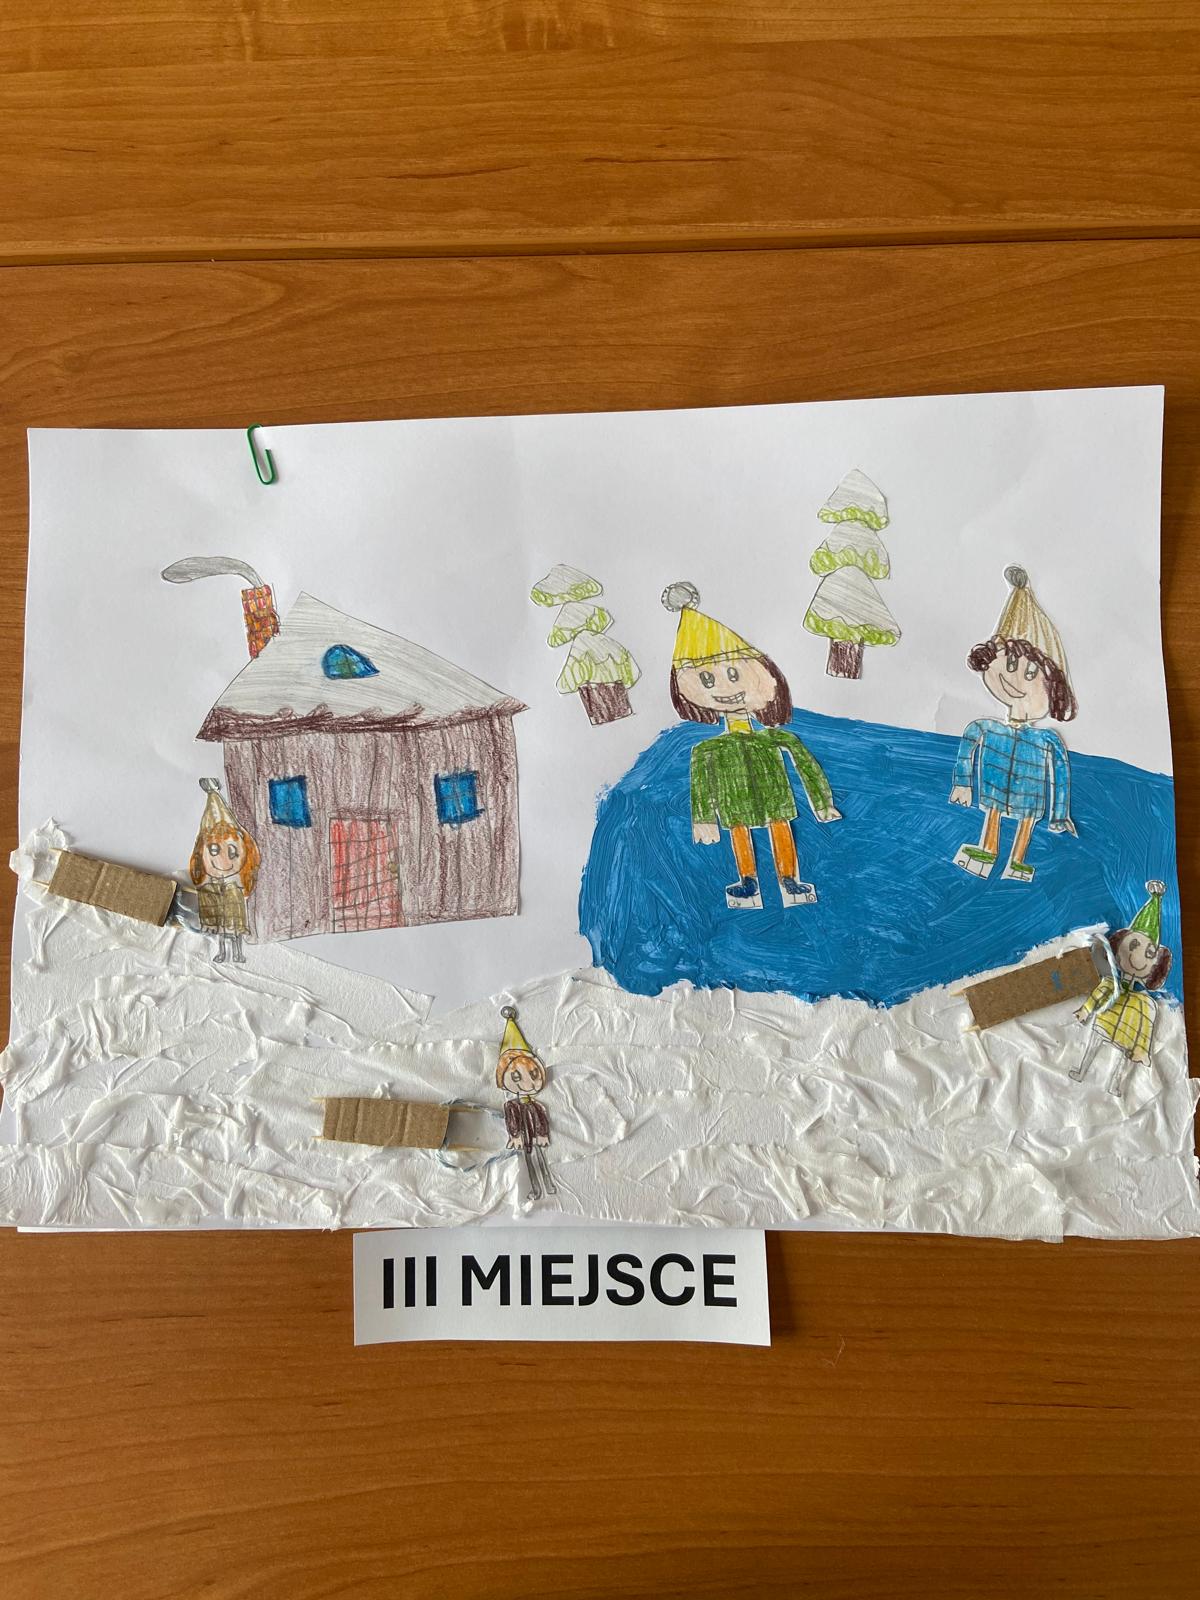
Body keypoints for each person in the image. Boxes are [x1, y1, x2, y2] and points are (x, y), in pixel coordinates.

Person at [662, 581, 839, 910]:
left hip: (775, 799)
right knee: (739, 831)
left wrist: (822, 802)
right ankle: (748, 881)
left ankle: (789, 879)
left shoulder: (776, 738)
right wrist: (704, 819)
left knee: (780, 825)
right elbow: (701, 786)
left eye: (734, 674)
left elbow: (805, 763)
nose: (725, 688)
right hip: (734, 806)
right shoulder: (707, 751)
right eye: (706, 680)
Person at [950, 565, 1077, 883]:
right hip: (994, 790)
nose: (1014, 678)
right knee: (992, 814)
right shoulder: (987, 728)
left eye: (1031, 673)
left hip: (1030, 799)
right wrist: (963, 783)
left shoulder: (1047, 741)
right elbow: (968, 741)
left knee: (1025, 823)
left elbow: (1060, 775)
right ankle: (987, 850)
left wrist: (1059, 815)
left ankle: (1018, 863)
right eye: (1008, 663)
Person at [1072, 881, 1173, 1096]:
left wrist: (1141, 1047)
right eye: (1133, 946)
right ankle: (1081, 1071)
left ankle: (1118, 1080)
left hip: (1127, 1030)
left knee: (1145, 1012)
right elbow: (1098, 995)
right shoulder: (1110, 984)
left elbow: (1146, 1024)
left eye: (1149, 954)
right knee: (1094, 1043)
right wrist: (1085, 1011)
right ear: (1118, 948)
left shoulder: (1144, 1003)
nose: (1138, 958)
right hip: (1107, 1020)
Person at [189, 777, 260, 963]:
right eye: (214, 850)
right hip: (217, 899)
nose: (224, 860)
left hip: (233, 900)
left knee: (235, 929)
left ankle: (237, 952)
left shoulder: (237, 879)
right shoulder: (208, 883)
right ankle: (222, 952)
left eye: (233, 852)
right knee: (221, 929)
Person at [497, 1005, 556, 1201]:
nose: (529, 1083)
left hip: (536, 1138)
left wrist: (542, 1133)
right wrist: (515, 1136)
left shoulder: (536, 1105)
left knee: (541, 1159)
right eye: (516, 1076)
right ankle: (536, 1189)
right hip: (523, 1140)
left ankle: (549, 1185)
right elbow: (512, 1122)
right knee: (529, 1162)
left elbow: (541, 1118)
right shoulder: (511, 1106)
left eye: (533, 1074)